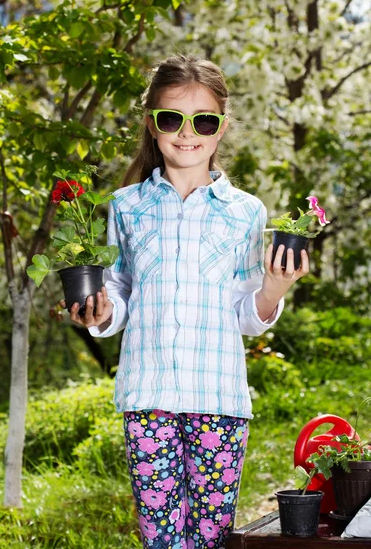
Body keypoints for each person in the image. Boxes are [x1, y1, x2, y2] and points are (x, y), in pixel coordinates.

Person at [60, 54, 309, 549]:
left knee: (213, 538)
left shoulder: (247, 213)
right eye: (172, 118)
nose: (186, 132)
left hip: (218, 397)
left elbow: (246, 314)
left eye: (204, 120)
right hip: (147, 396)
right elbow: (121, 291)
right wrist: (104, 311)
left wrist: (275, 288)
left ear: (221, 129)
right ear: (153, 125)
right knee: (161, 538)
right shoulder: (127, 206)